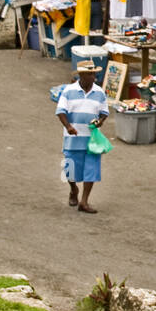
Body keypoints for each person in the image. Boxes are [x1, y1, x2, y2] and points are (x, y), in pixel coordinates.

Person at [54, 59, 107, 213]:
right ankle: (73, 190)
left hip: (92, 139)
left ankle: (84, 202)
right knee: (69, 170)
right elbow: (60, 112)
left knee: (92, 169)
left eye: (94, 74)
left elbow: (104, 112)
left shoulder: (99, 92)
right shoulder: (68, 91)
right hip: (72, 139)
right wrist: (69, 126)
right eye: (91, 74)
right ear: (82, 75)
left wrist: (100, 121)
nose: (94, 77)